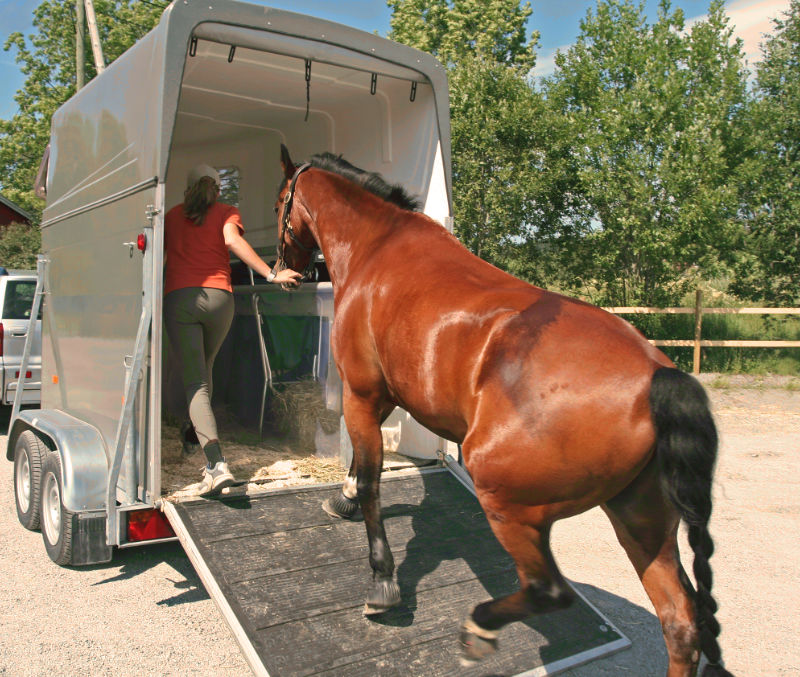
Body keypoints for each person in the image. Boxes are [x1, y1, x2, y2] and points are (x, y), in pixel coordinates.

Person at [164, 164, 302, 496]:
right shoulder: (227, 211)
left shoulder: (171, 216)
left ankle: (216, 466)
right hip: (220, 300)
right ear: (217, 188)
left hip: (181, 297)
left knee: (195, 381)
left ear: (187, 189)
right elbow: (231, 241)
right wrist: (271, 274)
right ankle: (191, 430)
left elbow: (163, 258)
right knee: (205, 372)